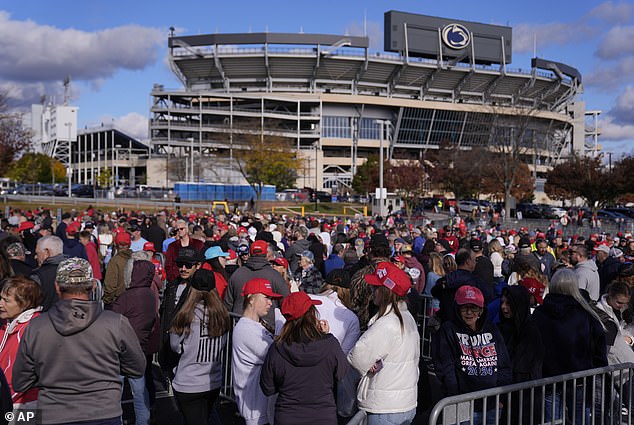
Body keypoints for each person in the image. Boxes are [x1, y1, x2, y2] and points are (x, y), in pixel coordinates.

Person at [13, 257, 146, 425]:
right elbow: (137, 368)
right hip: (103, 412)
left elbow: (20, 381)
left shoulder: (36, 327)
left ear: (57, 287)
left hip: (54, 413)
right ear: (92, 286)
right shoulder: (115, 323)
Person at [260, 291, 348, 425]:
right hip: (323, 417)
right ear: (311, 314)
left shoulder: (277, 348)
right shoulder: (330, 344)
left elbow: (268, 387)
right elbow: (341, 373)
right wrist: (327, 336)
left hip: (288, 416)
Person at [348, 262, 420, 425]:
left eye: (376, 287)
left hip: (385, 406)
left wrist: (368, 363)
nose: (372, 291)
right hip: (404, 403)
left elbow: (357, 357)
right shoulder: (406, 318)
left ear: (386, 291)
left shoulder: (387, 323)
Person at [532, 268, 607, 424]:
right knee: (579, 418)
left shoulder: (539, 314)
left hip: (551, 378)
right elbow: (599, 344)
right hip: (578, 378)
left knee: (552, 420)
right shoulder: (585, 313)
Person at [432, 285, 512, 425]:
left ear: (481, 310)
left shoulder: (492, 330)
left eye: (474, 308)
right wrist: (454, 398)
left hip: (491, 404)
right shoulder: (448, 330)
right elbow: (446, 368)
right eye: (464, 307)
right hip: (459, 403)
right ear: (457, 308)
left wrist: (500, 397)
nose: (469, 312)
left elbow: (504, 365)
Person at [169, 268, 231, 425]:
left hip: (189, 382)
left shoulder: (185, 315)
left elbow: (175, 346)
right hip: (212, 381)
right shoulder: (222, 315)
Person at [108, 260, 159, 425]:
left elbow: (112, 318)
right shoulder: (150, 295)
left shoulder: (127, 297)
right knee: (139, 390)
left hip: (122, 348)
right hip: (140, 348)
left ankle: (115, 421)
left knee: (116, 391)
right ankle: (143, 422)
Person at [232, 278, 283, 425]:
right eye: (266, 297)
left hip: (262, 407)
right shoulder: (245, 329)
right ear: (251, 299)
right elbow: (277, 356)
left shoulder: (257, 325)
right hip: (255, 409)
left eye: (271, 298)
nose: (270, 303)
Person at [0, 276, 42, 412]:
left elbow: (16, 376)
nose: (0, 304)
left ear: (24, 303)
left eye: (6, 301)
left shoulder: (29, 330)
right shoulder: (9, 324)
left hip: (23, 404)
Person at [225, 240, 289, 328]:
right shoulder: (275, 275)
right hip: (266, 328)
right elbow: (286, 303)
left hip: (240, 324)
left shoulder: (237, 274)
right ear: (266, 254)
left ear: (250, 253)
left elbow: (228, 304)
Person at [29, 236, 66, 312]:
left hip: (45, 320)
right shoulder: (75, 270)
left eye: (37, 253)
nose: (35, 257)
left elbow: (30, 304)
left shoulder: (38, 276)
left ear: (47, 252)